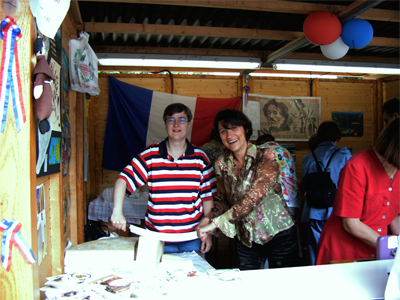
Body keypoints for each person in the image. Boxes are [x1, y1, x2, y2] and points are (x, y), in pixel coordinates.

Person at [196, 109, 298, 270]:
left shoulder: (266, 155)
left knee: (282, 288)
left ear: (246, 129)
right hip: (246, 238)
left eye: (234, 128)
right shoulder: (221, 163)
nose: (230, 136)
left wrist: (215, 224)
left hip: (279, 234)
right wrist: (206, 220)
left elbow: (253, 198)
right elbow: (223, 200)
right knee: (246, 287)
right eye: (223, 131)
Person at [111, 103, 216, 254]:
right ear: (165, 124)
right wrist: (117, 211)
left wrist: (208, 233)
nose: (176, 124)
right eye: (171, 120)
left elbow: (208, 199)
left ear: (189, 124)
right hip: (157, 239)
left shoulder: (200, 158)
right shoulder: (151, 155)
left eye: (181, 120)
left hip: (193, 238)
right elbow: (123, 180)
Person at [316, 119, 400, 264]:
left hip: (377, 250)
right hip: (344, 251)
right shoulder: (357, 166)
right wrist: (392, 248)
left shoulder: (396, 168)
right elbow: (351, 224)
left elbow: (391, 215)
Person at [301, 121, 352, 265]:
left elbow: (305, 184)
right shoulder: (344, 155)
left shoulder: (308, 159)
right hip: (336, 209)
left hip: (313, 209)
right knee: (337, 247)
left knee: (314, 248)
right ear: (337, 136)